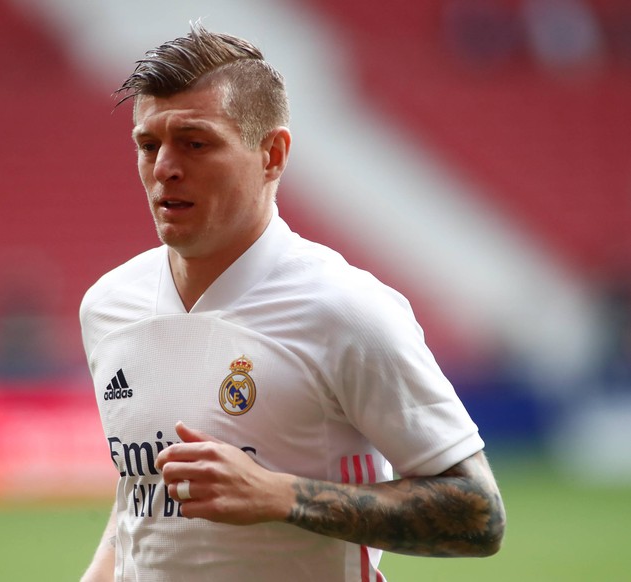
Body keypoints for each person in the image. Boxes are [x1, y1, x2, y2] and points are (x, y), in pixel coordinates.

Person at [79, 23, 506, 582]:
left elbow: (476, 514)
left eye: (195, 142)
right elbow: (140, 494)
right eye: (148, 144)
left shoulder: (346, 309)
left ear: (272, 153)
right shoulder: (110, 307)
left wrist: (279, 495)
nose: (164, 168)